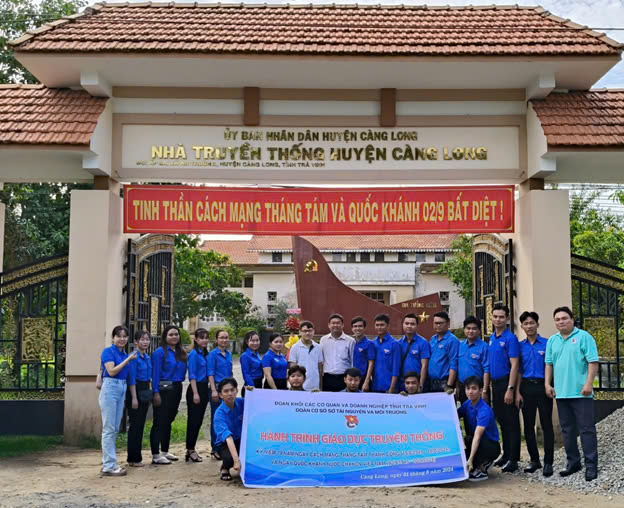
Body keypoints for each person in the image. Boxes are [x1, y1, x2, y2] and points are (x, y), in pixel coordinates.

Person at [546, 306, 599, 482]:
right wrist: (547, 384)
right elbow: (549, 364)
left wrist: (589, 384)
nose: (561, 321)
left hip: (581, 393)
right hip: (562, 394)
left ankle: (591, 465)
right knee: (567, 430)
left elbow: (593, 362)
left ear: (572, 319)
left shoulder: (584, 337)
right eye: (557, 319)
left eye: (564, 318)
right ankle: (573, 462)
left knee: (586, 430)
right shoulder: (552, 340)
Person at [516, 311, 554, 477]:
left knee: (546, 425)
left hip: (543, 387)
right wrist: (517, 391)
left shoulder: (547, 343)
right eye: (526, 323)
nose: (529, 326)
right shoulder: (519, 346)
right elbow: (518, 371)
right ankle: (534, 460)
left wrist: (548, 385)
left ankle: (548, 462)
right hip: (526, 388)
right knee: (528, 425)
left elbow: (550, 365)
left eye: (532, 323)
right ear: (522, 326)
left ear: (537, 324)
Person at [99, 325, 137, 476]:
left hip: (121, 387)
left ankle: (110, 462)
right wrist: (128, 359)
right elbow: (111, 371)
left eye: (124, 336)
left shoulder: (124, 354)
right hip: (110, 388)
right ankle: (108, 466)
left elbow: (128, 376)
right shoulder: (108, 352)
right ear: (113, 338)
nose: (122, 339)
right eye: (118, 336)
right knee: (109, 428)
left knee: (115, 428)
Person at [488, 304, 521, 472]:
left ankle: (514, 459)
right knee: (502, 421)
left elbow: (515, 365)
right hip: (495, 384)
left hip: (506, 383)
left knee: (511, 422)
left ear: (507, 318)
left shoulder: (510, 338)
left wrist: (510, 388)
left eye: (501, 317)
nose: (498, 319)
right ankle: (506, 454)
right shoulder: (492, 337)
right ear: (491, 317)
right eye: (495, 316)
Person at [151, 324, 187, 465]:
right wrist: (155, 392)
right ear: (165, 337)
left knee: (169, 420)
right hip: (163, 389)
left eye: (176, 334)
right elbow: (155, 374)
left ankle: (164, 451)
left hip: (177, 388)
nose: (174, 337)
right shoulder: (160, 352)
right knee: (159, 421)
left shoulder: (180, 352)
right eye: (171, 334)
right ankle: (155, 454)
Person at [458, 376, 501, 482]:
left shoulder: (484, 410)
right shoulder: (467, 404)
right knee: (467, 442)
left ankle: (483, 466)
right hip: (473, 440)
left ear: (481, 390)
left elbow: (477, 436)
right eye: (468, 389)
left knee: (471, 463)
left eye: (474, 388)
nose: (470, 392)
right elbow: (455, 415)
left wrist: (470, 459)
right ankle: (478, 462)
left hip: (489, 445)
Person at [126, 329, 152, 468]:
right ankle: (133, 458)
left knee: (140, 425)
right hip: (135, 390)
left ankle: (136, 457)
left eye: (147, 339)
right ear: (136, 342)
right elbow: (131, 379)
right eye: (142, 339)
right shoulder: (133, 357)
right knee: (135, 426)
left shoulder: (146, 357)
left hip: (145, 391)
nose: (145, 342)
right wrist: (134, 398)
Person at [185, 328, 210, 463]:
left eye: (206, 338)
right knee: (193, 421)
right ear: (195, 339)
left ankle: (191, 448)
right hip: (196, 389)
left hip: (204, 388)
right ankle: (190, 450)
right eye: (201, 338)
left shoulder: (205, 353)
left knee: (199, 420)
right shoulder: (194, 354)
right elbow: (192, 375)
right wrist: (195, 393)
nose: (204, 340)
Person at [207, 329, 233, 460]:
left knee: (227, 418)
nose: (224, 340)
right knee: (216, 418)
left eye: (226, 337)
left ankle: (225, 447)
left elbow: (230, 373)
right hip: (217, 389)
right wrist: (213, 390)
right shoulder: (212, 354)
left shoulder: (229, 354)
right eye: (221, 337)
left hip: (228, 390)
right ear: (216, 340)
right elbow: (210, 373)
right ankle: (215, 448)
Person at [213, 378, 245, 482]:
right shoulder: (219, 414)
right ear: (220, 395)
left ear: (237, 390)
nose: (230, 393)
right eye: (226, 391)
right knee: (229, 458)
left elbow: (257, 402)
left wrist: (252, 392)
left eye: (232, 390)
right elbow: (228, 438)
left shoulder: (242, 402)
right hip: (225, 443)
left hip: (241, 440)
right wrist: (236, 460)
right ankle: (225, 467)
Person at [457, 316, 490, 404]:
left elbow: (487, 369)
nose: (471, 331)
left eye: (474, 329)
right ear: (464, 329)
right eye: (468, 328)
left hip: (478, 388)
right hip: (463, 387)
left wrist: (484, 390)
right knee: (465, 411)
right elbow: (457, 367)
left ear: (479, 331)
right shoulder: (460, 345)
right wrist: (457, 388)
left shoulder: (484, 347)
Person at [319, 313, 355, 392]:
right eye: (333, 323)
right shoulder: (323, 340)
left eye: (338, 323)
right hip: (327, 377)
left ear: (342, 325)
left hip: (344, 377)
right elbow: (321, 359)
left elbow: (353, 360)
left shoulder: (350, 341)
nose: (335, 325)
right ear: (329, 325)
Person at [428, 311, 459, 394]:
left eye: (441, 323)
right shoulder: (433, 339)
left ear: (448, 323)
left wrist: (449, 385)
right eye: (436, 323)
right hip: (431, 382)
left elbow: (454, 363)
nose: (438, 325)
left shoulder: (452, 340)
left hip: (444, 384)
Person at [398, 313, 430, 393]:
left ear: (417, 326)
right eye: (406, 323)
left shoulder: (423, 343)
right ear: (403, 325)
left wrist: (421, 384)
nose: (409, 326)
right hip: (402, 384)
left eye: (412, 324)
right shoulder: (399, 343)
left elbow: (424, 366)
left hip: (416, 384)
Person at [371, 313, 401, 393]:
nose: (379, 327)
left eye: (382, 325)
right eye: (377, 325)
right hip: (374, 386)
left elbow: (396, 368)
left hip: (389, 387)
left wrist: (392, 387)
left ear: (388, 326)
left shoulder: (394, 344)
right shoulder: (373, 343)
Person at [288, 321, 323, 390]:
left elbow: (319, 368)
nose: (307, 333)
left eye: (310, 331)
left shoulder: (318, 347)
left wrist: (320, 386)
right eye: (305, 331)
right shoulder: (295, 347)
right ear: (300, 332)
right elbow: (292, 369)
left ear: (313, 332)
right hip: (300, 386)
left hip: (314, 385)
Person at [351, 316, 375, 391]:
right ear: (352, 328)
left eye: (360, 326)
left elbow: (371, 363)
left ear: (364, 328)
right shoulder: (351, 342)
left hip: (363, 378)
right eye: (355, 326)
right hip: (351, 379)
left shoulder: (369, 343)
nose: (357, 328)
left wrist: (366, 381)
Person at [240, 330, 263, 396]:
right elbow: (246, 374)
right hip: (250, 386)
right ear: (247, 342)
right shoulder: (245, 356)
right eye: (252, 341)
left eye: (257, 340)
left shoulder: (257, 354)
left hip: (259, 383)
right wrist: (252, 388)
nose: (255, 343)